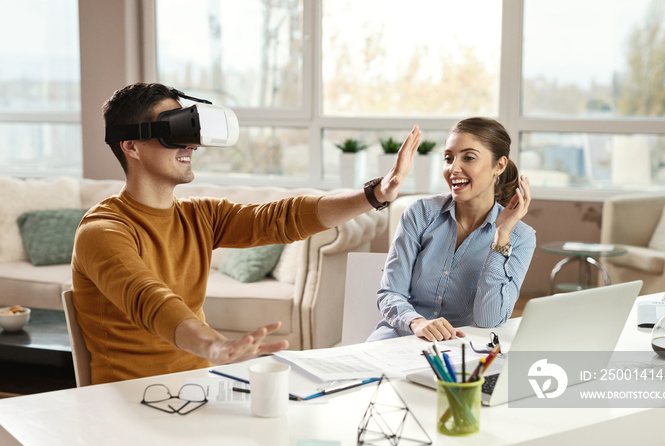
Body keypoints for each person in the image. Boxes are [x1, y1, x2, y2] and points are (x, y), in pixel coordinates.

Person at [72, 82, 421, 384]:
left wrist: (375, 194)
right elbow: (150, 300)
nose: (191, 145)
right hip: (129, 399)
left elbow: (281, 217)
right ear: (131, 146)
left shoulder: (199, 216)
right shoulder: (103, 231)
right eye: (175, 131)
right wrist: (214, 345)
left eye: (191, 132)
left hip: (198, 387)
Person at [367, 117, 535, 342]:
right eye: (448, 158)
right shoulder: (420, 214)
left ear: (499, 165)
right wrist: (417, 323)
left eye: (469, 157)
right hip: (401, 337)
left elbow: (490, 319)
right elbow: (390, 294)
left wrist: (501, 239)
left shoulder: (520, 237)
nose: (453, 168)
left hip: (460, 351)